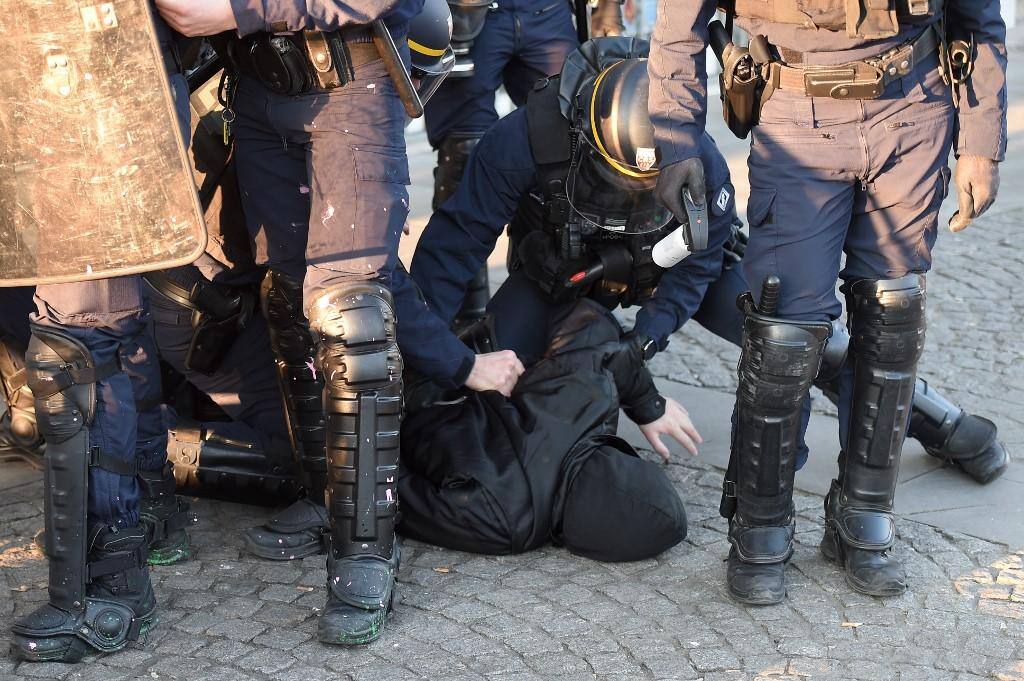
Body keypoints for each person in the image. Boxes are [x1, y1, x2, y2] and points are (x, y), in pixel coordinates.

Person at [409, 36, 1007, 483]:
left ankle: (939, 420)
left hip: (669, 264)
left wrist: (646, 338)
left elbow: (700, 262)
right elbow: (453, 247)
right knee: (506, 378)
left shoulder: (697, 154)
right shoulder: (522, 141)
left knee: (793, 338)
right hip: (558, 273)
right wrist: (432, 357)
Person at [646, 0, 1007, 603]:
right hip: (795, 110)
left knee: (893, 314)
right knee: (785, 332)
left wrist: (980, 143)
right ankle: (760, 521)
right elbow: (677, 23)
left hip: (912, 108)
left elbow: (979, 17)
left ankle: (862, 514)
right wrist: (676, 140)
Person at [154, 0, 440, 647]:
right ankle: (322, 490)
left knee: (352, 315)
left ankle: (366, 545)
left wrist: (238, 9)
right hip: (256, 92)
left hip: (347, 80)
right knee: (286, 300)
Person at [8, 10, 197, 663]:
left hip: (91, 102)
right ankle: (140, 517)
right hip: (73, 93)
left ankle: (107, 577)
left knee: (78, 345)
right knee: (110, 326)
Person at [426, 0, 626, 323]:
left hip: (547, 10)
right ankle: (460, 320)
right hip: (466, 13)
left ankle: (558, 298)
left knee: (578, 140)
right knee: (462, 156)